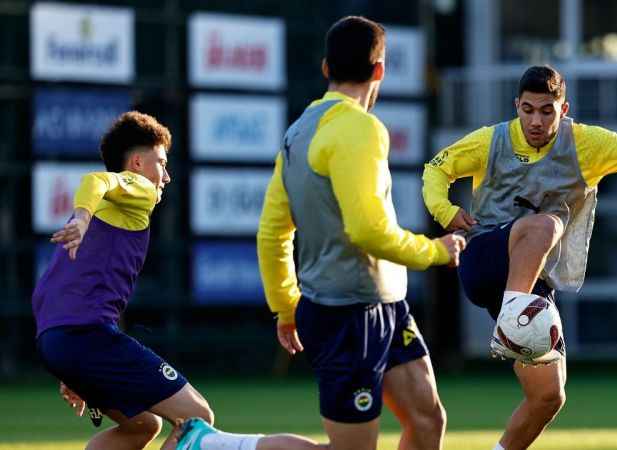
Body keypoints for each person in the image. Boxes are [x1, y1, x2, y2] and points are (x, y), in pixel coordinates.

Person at [175, 15, 465, 450]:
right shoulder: (361, 127)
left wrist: (285, 306)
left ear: (326, 67)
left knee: (427, 420)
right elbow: (367, 230)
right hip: (345, 314)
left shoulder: (297, 132)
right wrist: (435, 251)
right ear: (380, 70)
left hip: (387, 305)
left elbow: (273, 231)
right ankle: (209, 445)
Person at [421, 65, 617, 450]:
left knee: (549, 396)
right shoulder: (491, 140)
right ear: (516, 106)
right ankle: (512, 322)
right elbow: (437, 168)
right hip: (484, 258)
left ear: (563, 110)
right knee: (546, 224)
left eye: (546, 111)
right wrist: (444, 211)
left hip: (530, 280)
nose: (535, 120)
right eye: (528, 110)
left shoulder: (585, 143)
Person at [32, 111, 215, 450]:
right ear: (137, 164)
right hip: (85, 338)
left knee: (142, 425)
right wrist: (82, 218)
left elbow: (45, 295)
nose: (166, 176)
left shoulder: (100, 216)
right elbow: (96, 180)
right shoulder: (137, 191)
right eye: (161, 163)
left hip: (56, 341)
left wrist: (69, 364)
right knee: (197, 416)